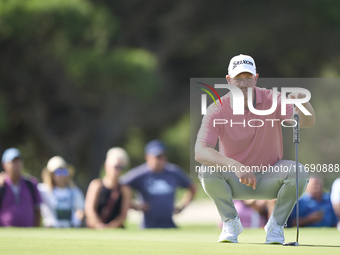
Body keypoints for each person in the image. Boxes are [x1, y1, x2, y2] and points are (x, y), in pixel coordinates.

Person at [195, 54, 316, 244]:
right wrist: (235, 166)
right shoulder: (217, 109)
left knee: (298, 171)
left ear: (256, 78)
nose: (244, 83)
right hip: (234, 180)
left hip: (270, 178)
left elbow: (306, 123)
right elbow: (200, 151)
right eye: (238, 78)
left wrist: (304, 104)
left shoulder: (272, 99)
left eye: (248, 77)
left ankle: (276, 225)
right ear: (228, 80)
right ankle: (231, 222)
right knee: (206, 170)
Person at [121, 140, 196, 228]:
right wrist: (134, 205)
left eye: (162, 156)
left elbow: (192, 187)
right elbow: (121, 186)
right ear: (148, 157)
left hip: (170, 225)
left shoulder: (173, 172)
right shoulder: (140, 173)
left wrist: (182, 206)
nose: (161, 160)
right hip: (148, 225)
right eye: (157, 157)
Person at [85, 147, 131, 229]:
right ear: (106, 166)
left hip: (116, 230)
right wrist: (99, 225)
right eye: (116, 166)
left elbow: (123, 215)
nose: (118, 170)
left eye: (121, 168)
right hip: (95, 229)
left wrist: (110, 227)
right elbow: (89, 209)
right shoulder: (96, 185)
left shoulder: (124, 189)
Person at [38, 156, 85, 228]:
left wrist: (79, 216)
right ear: (51, 174)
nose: (62, 175)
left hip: (70, 229)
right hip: (51, 229)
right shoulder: (44, 190)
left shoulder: (75, 191)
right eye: (58, 172)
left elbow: (80, 209)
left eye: (64, 171)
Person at [0, 148, 41, 227]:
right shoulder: (1, 185)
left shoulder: (31, 184)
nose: (16, 164)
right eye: (13, 162)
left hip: (29, 233)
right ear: (4, 165)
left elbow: (37, 210)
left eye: (18, 161)